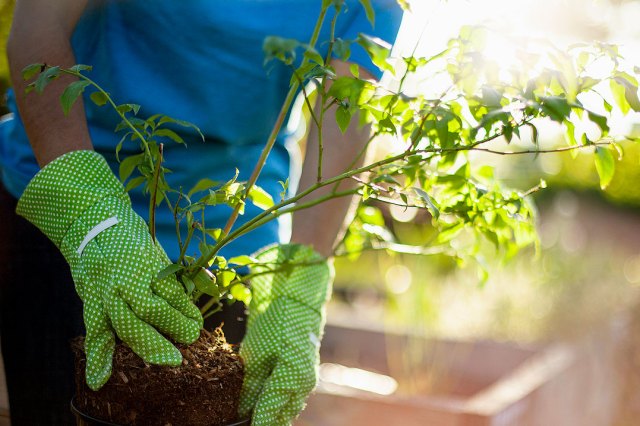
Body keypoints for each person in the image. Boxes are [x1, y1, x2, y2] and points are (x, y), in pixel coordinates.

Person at [0, 0, 402, 424]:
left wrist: (299, 280)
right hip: (65, 202)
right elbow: (37, 26)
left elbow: (347, 110)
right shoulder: (78, 209)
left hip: (231, 238)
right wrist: (92, 216)